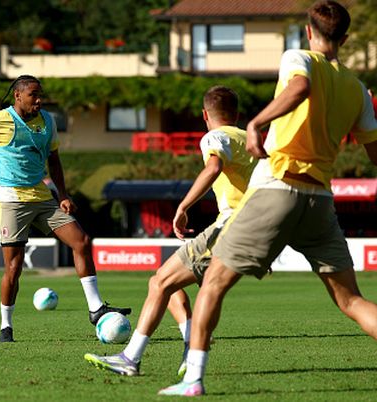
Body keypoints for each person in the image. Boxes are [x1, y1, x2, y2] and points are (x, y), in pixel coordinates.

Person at [159, 1, 377, 396]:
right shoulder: (359, 90)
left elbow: (300, 87)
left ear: (308, 32)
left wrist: (258, 121)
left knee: (213, 283)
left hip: (278, 188)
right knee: (351, 301)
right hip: (320, 201)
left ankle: (192, 380)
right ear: (345, 39)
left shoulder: (298, 57)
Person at [84, 86, 256, 377]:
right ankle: (191, 345)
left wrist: (183, 206)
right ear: (237, 115)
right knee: (170, 283)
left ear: (204, 115)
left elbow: (213, 167)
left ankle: (131, 358)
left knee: (159, 283)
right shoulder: (252, 141)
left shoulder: (215, 136)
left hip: (231, 225)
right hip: (252, 227)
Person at [0, 75, 131, 343]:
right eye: (33, 94)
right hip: (10, 199)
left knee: (81, 241)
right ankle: (6, 326)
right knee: (14, 267)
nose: (39, 99)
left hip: (42, 196)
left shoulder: (48, 121)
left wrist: (63, 195)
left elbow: (54, 160)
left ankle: (95, 308)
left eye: (40, 94)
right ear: (18, 96)